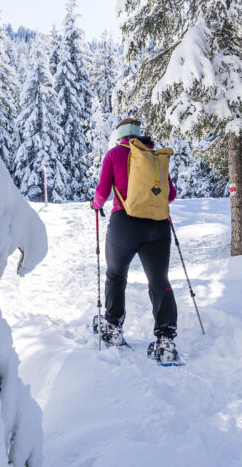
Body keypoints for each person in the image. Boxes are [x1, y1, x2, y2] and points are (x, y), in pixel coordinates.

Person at [91, 117, 179, 362]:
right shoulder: (153, 156)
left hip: (125, 224)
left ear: (120, 136)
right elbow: (170, 195)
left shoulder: (114, 154)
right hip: (158, 227)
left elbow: (102, 192)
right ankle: (166, 340)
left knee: (116, 275)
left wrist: (95, 205)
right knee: (159, 281)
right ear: (139, 135)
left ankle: (113, 326)